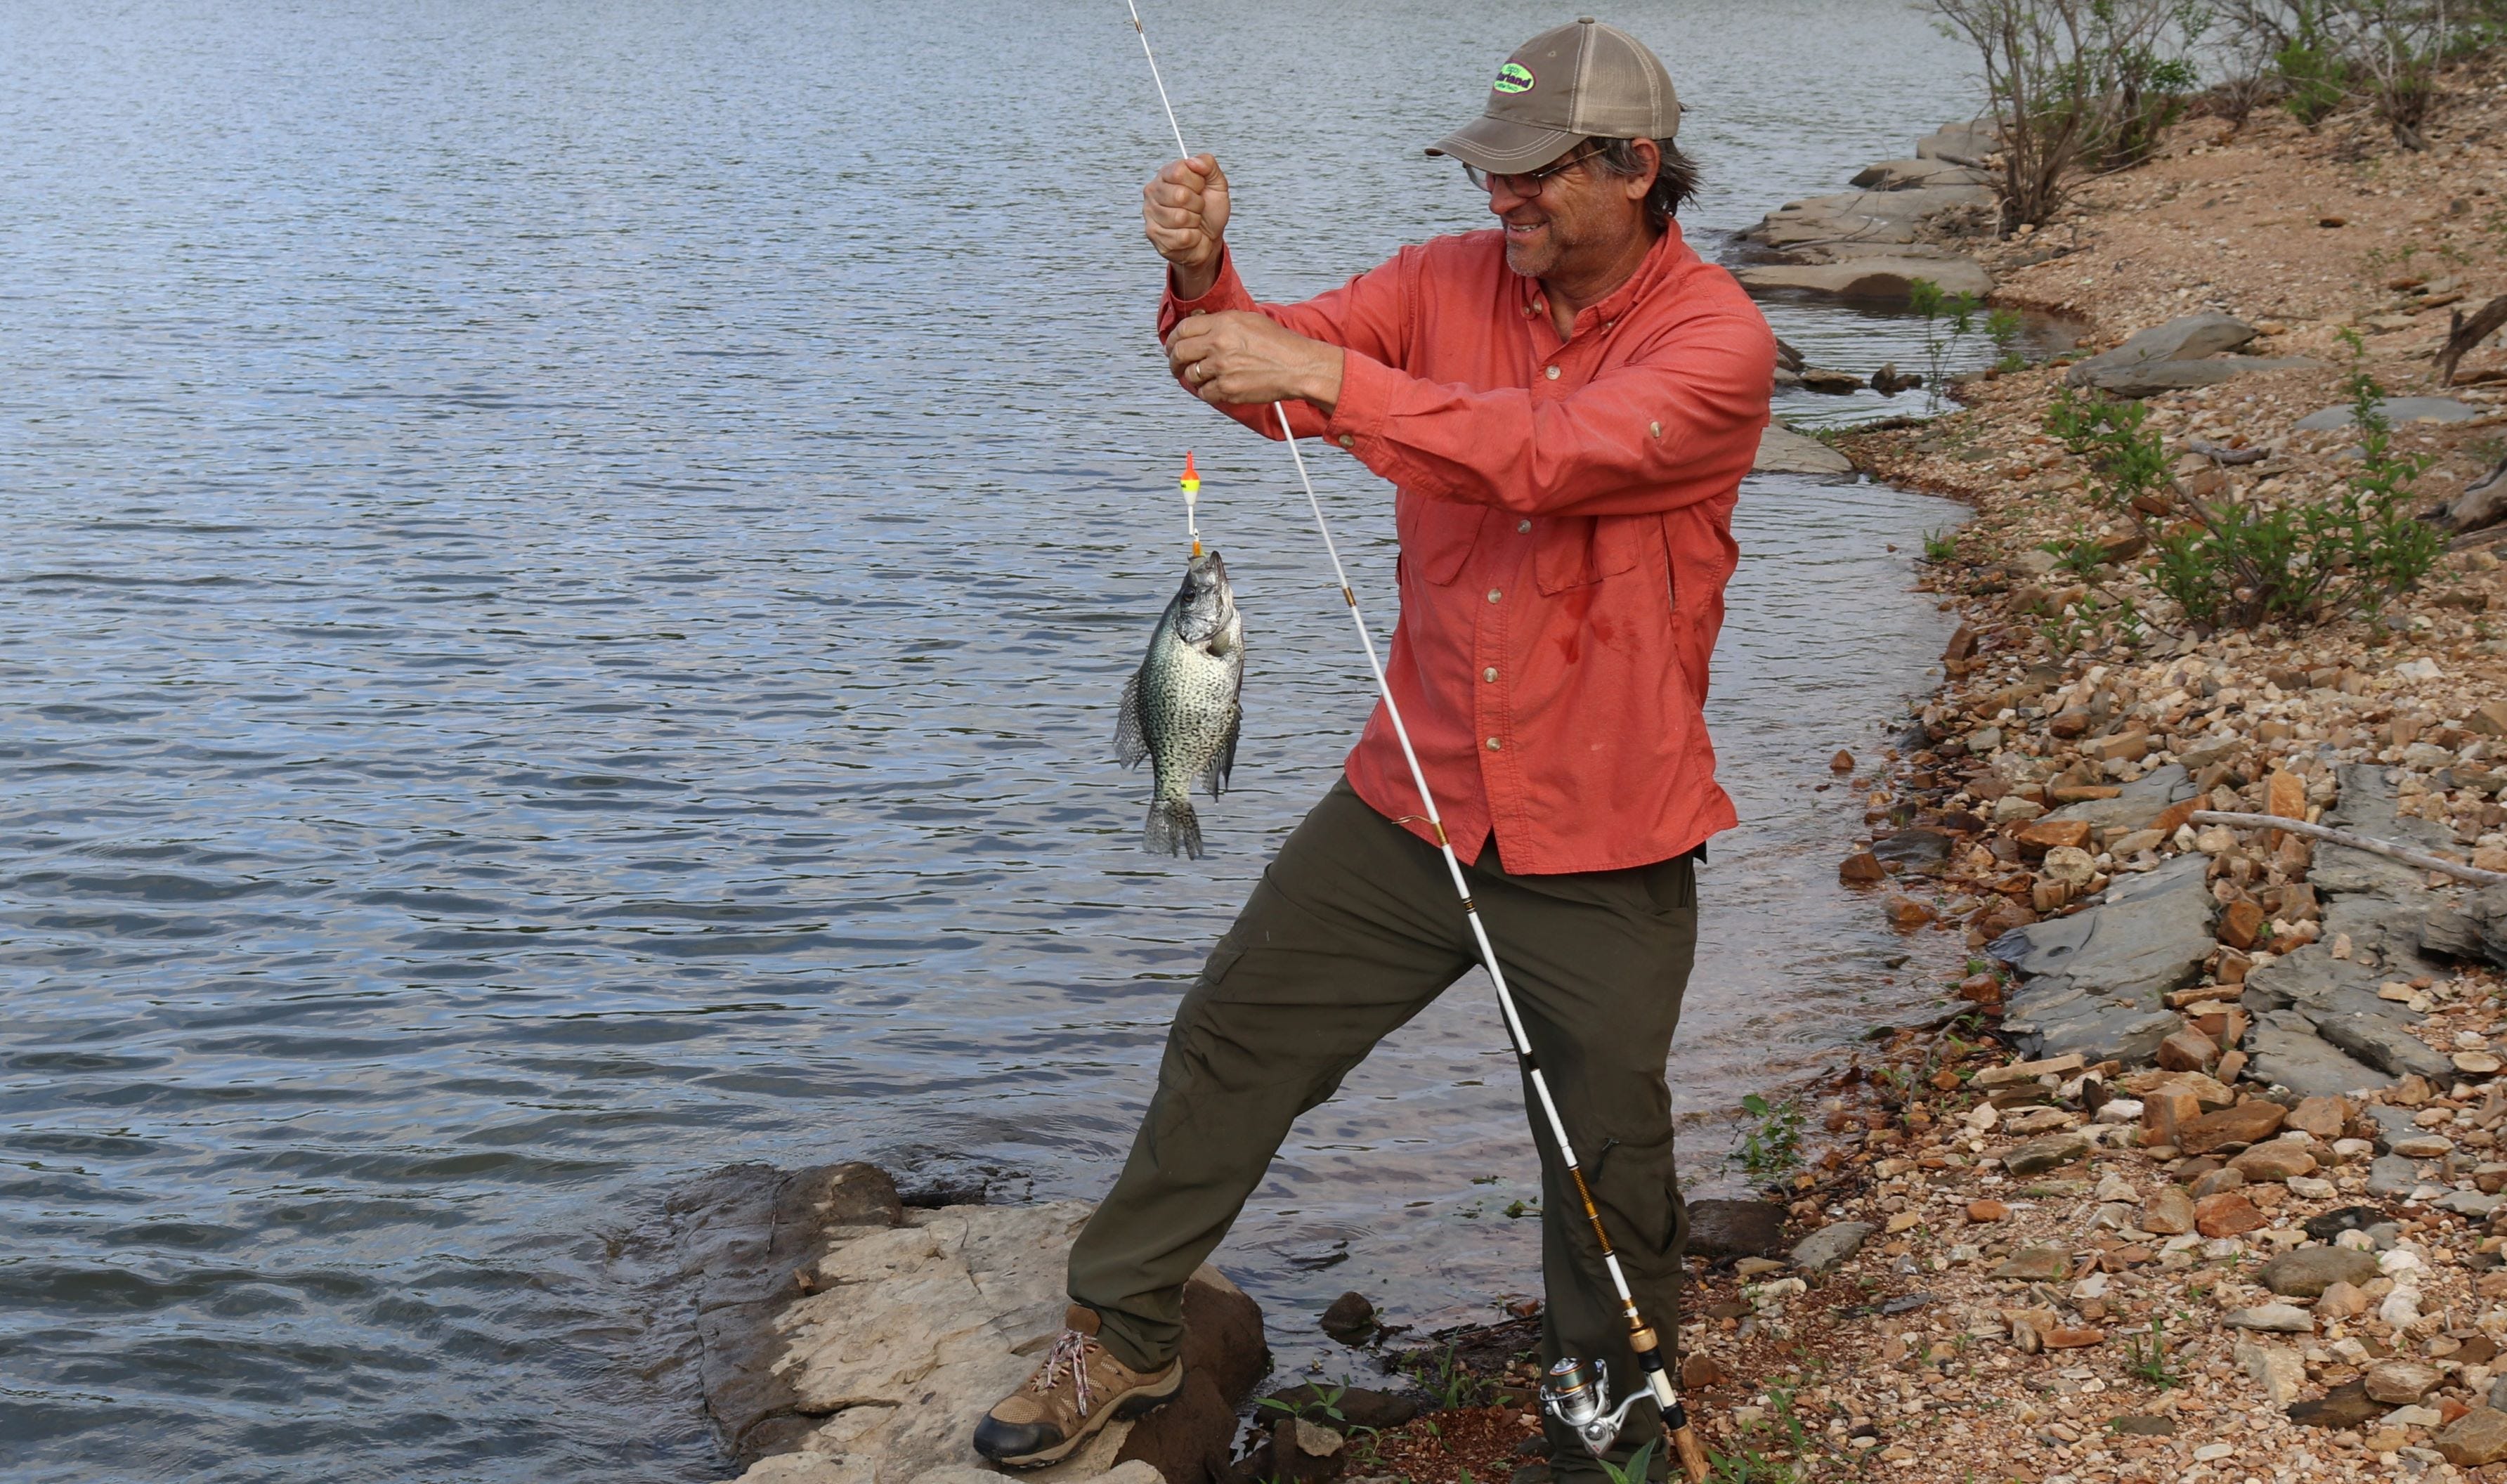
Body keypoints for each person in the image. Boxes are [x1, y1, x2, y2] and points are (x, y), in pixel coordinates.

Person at [975, 18, 1773, 1482]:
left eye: (1531, 178)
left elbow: (1550, 456)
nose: (1499, 203)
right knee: (1231, 1038)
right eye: (1488, 173)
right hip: (1410, 795)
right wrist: (1202, 282)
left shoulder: (1712, 340)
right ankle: (1123, 1330)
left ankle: (1609, 1430)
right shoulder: (1438, 279)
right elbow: (1254, 380)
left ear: (1633, 168)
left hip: (1608, 827)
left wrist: (1331, 381)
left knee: (1606, 1154)